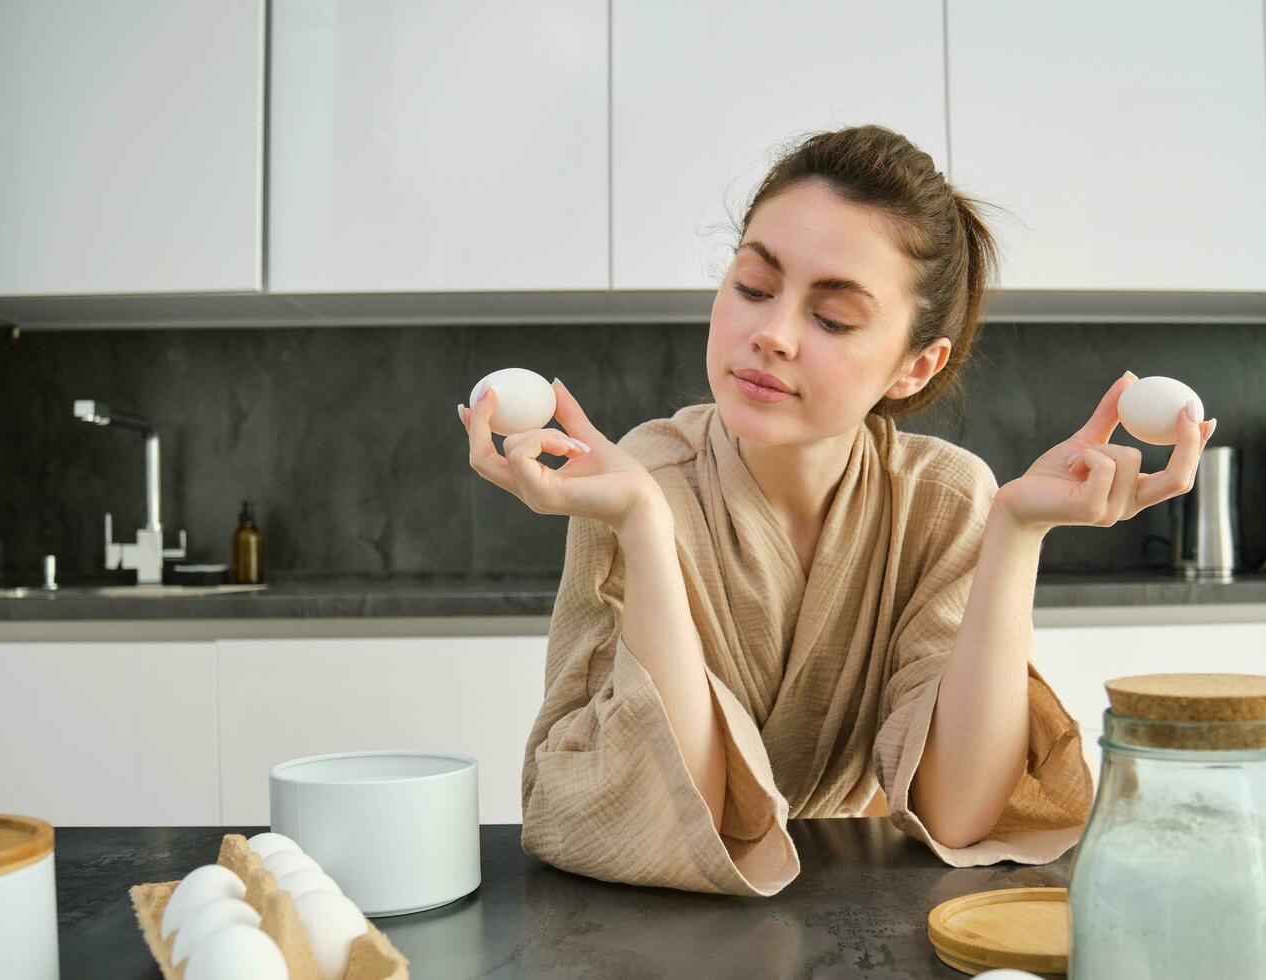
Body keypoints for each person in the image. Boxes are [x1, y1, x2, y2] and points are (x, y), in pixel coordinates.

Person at [457, 125, 1214, 895]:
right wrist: (646, 531)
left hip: (863, 906)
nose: (771, 335)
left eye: (834, 318)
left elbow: (961, 813)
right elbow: (672, 815)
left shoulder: (944, 498)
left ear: (915, 367)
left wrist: (1017, 531)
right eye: (752, 286)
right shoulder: (634, 483)